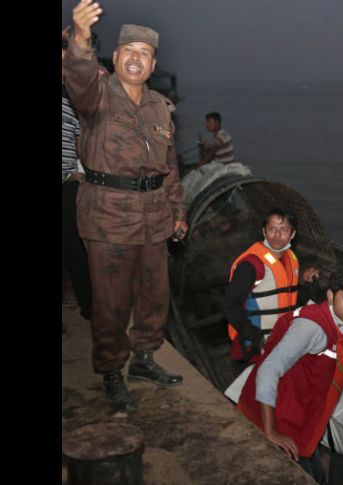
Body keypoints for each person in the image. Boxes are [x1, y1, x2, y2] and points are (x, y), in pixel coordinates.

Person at [64, 0, 187, 413]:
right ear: (115, 58)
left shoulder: (160, 108)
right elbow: (78, 75)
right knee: (111, 301)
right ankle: (112, 370)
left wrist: (178, 211)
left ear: (153, 64)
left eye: (145, 53)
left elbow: (170, 166)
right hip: (108, 214)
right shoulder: (96, 97)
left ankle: (145, 358)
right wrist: (80, 36)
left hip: (154, 214)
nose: (136, 58)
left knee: (154, 295)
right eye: (128, 51)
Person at [236, 269, 343, 484]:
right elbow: (269, 370)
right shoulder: (312, 327)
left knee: (315, 474)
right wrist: (271, 431)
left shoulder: (334, 323)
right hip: (280, 421)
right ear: (329, 296)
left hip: (298, 417)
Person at [221, 208, 320, 362]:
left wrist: (308, 286)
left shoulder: (290, 261)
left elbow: (288, 305)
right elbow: (229, 304)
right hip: (253, 348)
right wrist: (253, 336)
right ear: (264, 231)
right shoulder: (252, 265)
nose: (277, 235)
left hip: (280, 345)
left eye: (283, 230)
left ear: (292, 234)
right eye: (272, 229)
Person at [61, 26, 92, 324]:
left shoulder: (76, 97)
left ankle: (90, 308)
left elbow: (81, 139)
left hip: (70, 187)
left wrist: (79, 174)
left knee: (76, 250)